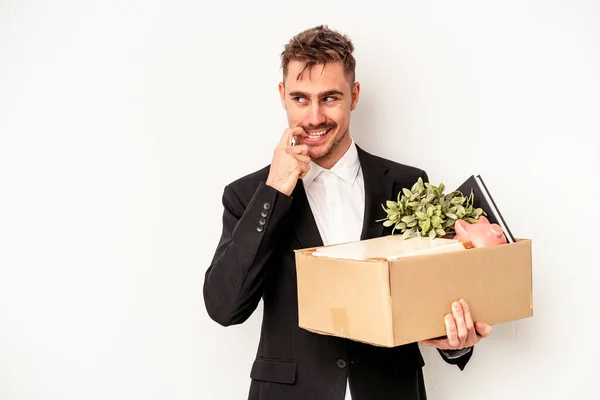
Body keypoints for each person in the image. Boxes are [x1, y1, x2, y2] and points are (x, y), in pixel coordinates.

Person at [203, 25, 492, 400]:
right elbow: (225, 307)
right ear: (282, 97)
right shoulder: (248, 196)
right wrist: (274, 191)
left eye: (330, 98)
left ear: (354, 96)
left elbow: (439, 297)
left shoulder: (408, 185)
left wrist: (456, 341)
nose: (315, 116)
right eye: (301, 99)